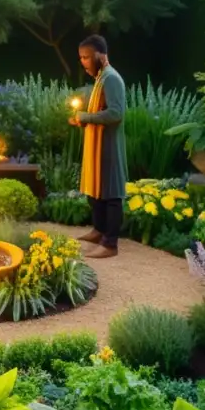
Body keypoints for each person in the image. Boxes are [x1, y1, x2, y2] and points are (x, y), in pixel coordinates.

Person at [70, 35, 128, 259]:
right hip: (98, 145)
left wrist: (85, 116)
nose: (83, 62)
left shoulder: (111, 78)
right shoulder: (101, 78)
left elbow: (116, 113)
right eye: (81, 58)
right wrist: (83, 120)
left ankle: (110, 244)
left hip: (109, 146)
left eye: (86, 57)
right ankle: (99, 230)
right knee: (95, 192)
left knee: (111, 194)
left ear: (100, 55)